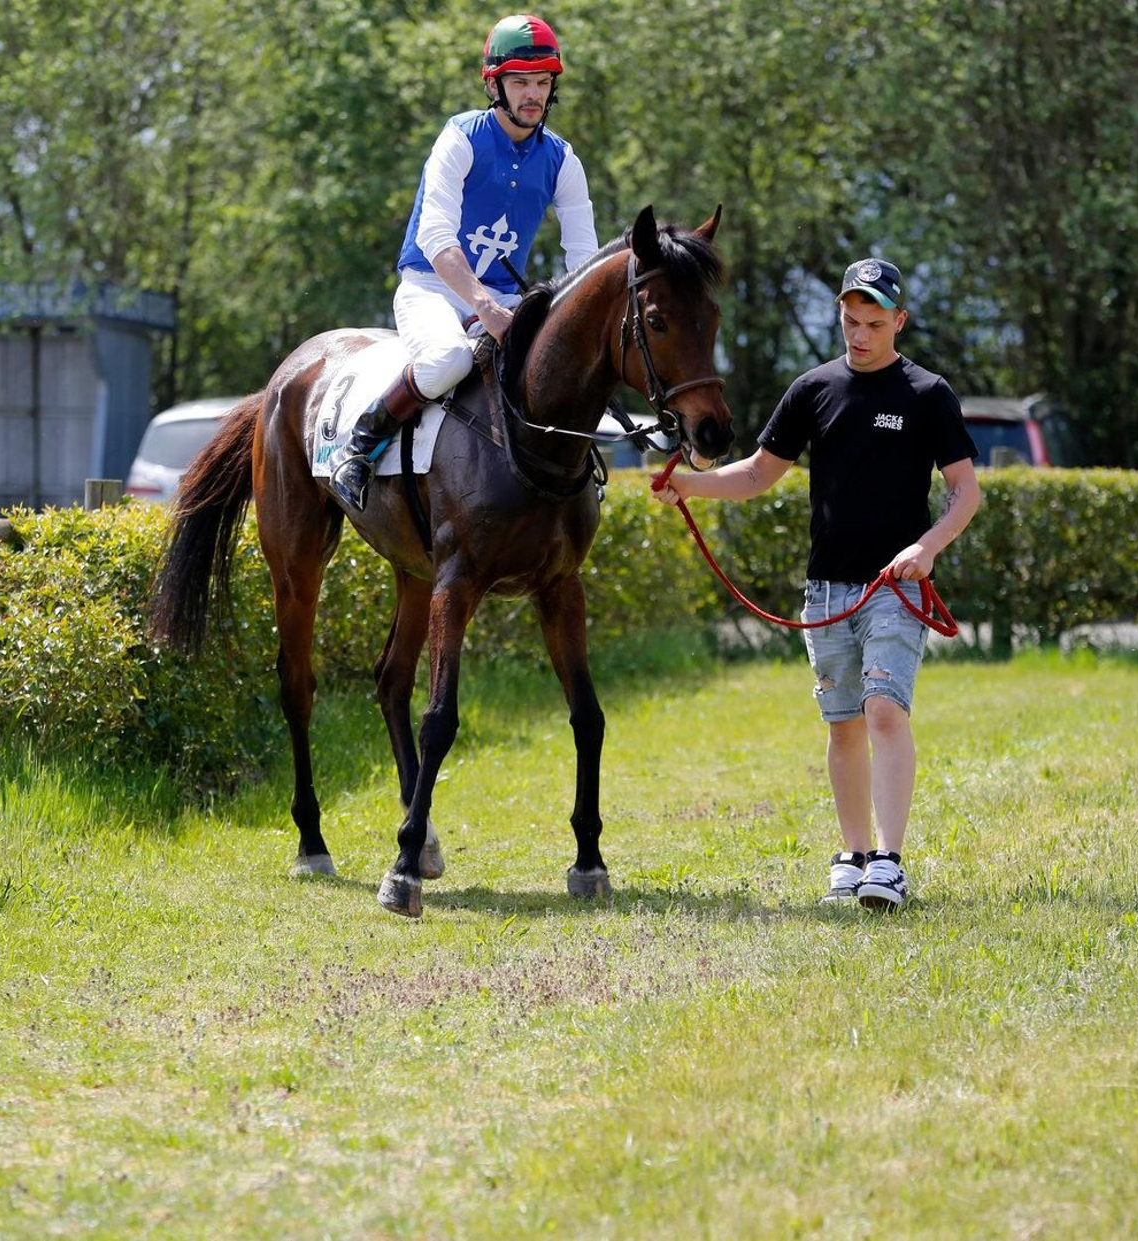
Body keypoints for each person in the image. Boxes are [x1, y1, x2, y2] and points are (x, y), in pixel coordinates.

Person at [653, 258, 981, 910]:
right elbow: (757, 474)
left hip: (895, 588)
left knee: (884, 710)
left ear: (899, 321)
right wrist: (686, 483)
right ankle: (853, 858)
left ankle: (889, 862)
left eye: (874, 324)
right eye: (850, 321)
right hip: (826, 590)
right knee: (844, 726)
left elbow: (965, 491)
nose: (859, 335)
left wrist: (926, 546)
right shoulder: (813, 389)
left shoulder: (927, 394)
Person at [329, 13, 600, 511]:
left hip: (504, 299)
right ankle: (361, 445)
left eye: (542, 83)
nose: (533, 95)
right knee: (449, 360)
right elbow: (435, 238)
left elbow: (584, 257)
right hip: (432, 287)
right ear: (494, 85)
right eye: (520, 82)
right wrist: (483, 305)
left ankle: (581, 466)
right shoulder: (460, 137)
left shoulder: (563, 160)